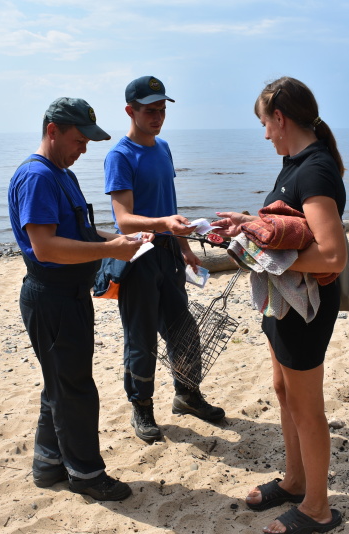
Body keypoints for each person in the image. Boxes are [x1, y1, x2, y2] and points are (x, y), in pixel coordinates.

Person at [212, 77, 346, 534]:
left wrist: (267, 254)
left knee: (308, 408)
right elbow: (289, 225)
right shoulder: (295, 162)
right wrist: (248, 223)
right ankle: (293, 481)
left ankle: (317, 509)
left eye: (265, 124)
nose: (265, 134)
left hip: (305, 307)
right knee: (283, 390)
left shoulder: (315, 169)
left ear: (280, 118)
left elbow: (332, 254)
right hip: (281, 301)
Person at [8, 97, 153, 501]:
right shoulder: (38, 177)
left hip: (67, 296)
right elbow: (47, 248)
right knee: (75, 389)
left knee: (60, 382)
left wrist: (123, 241)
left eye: (88, 142)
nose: (84, 149)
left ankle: (48, 463)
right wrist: (112, 251)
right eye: (78, 140)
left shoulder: (61, 172)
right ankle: (86, 474)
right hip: (52, 297)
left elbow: (80, 234)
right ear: (52, 131)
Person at [103, 75, 225, 443]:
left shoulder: (163, 148)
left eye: (161, 110)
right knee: (140, 339)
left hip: (170, 253)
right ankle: (141, 408)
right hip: (137, 256)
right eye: (150, 111)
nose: (158, 117)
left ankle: (187, 395)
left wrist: (185, 247)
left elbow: (167, 205)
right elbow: (123, 218)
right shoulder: (119, 155)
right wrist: (162, 223)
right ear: (130, 111)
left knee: (183, 329)